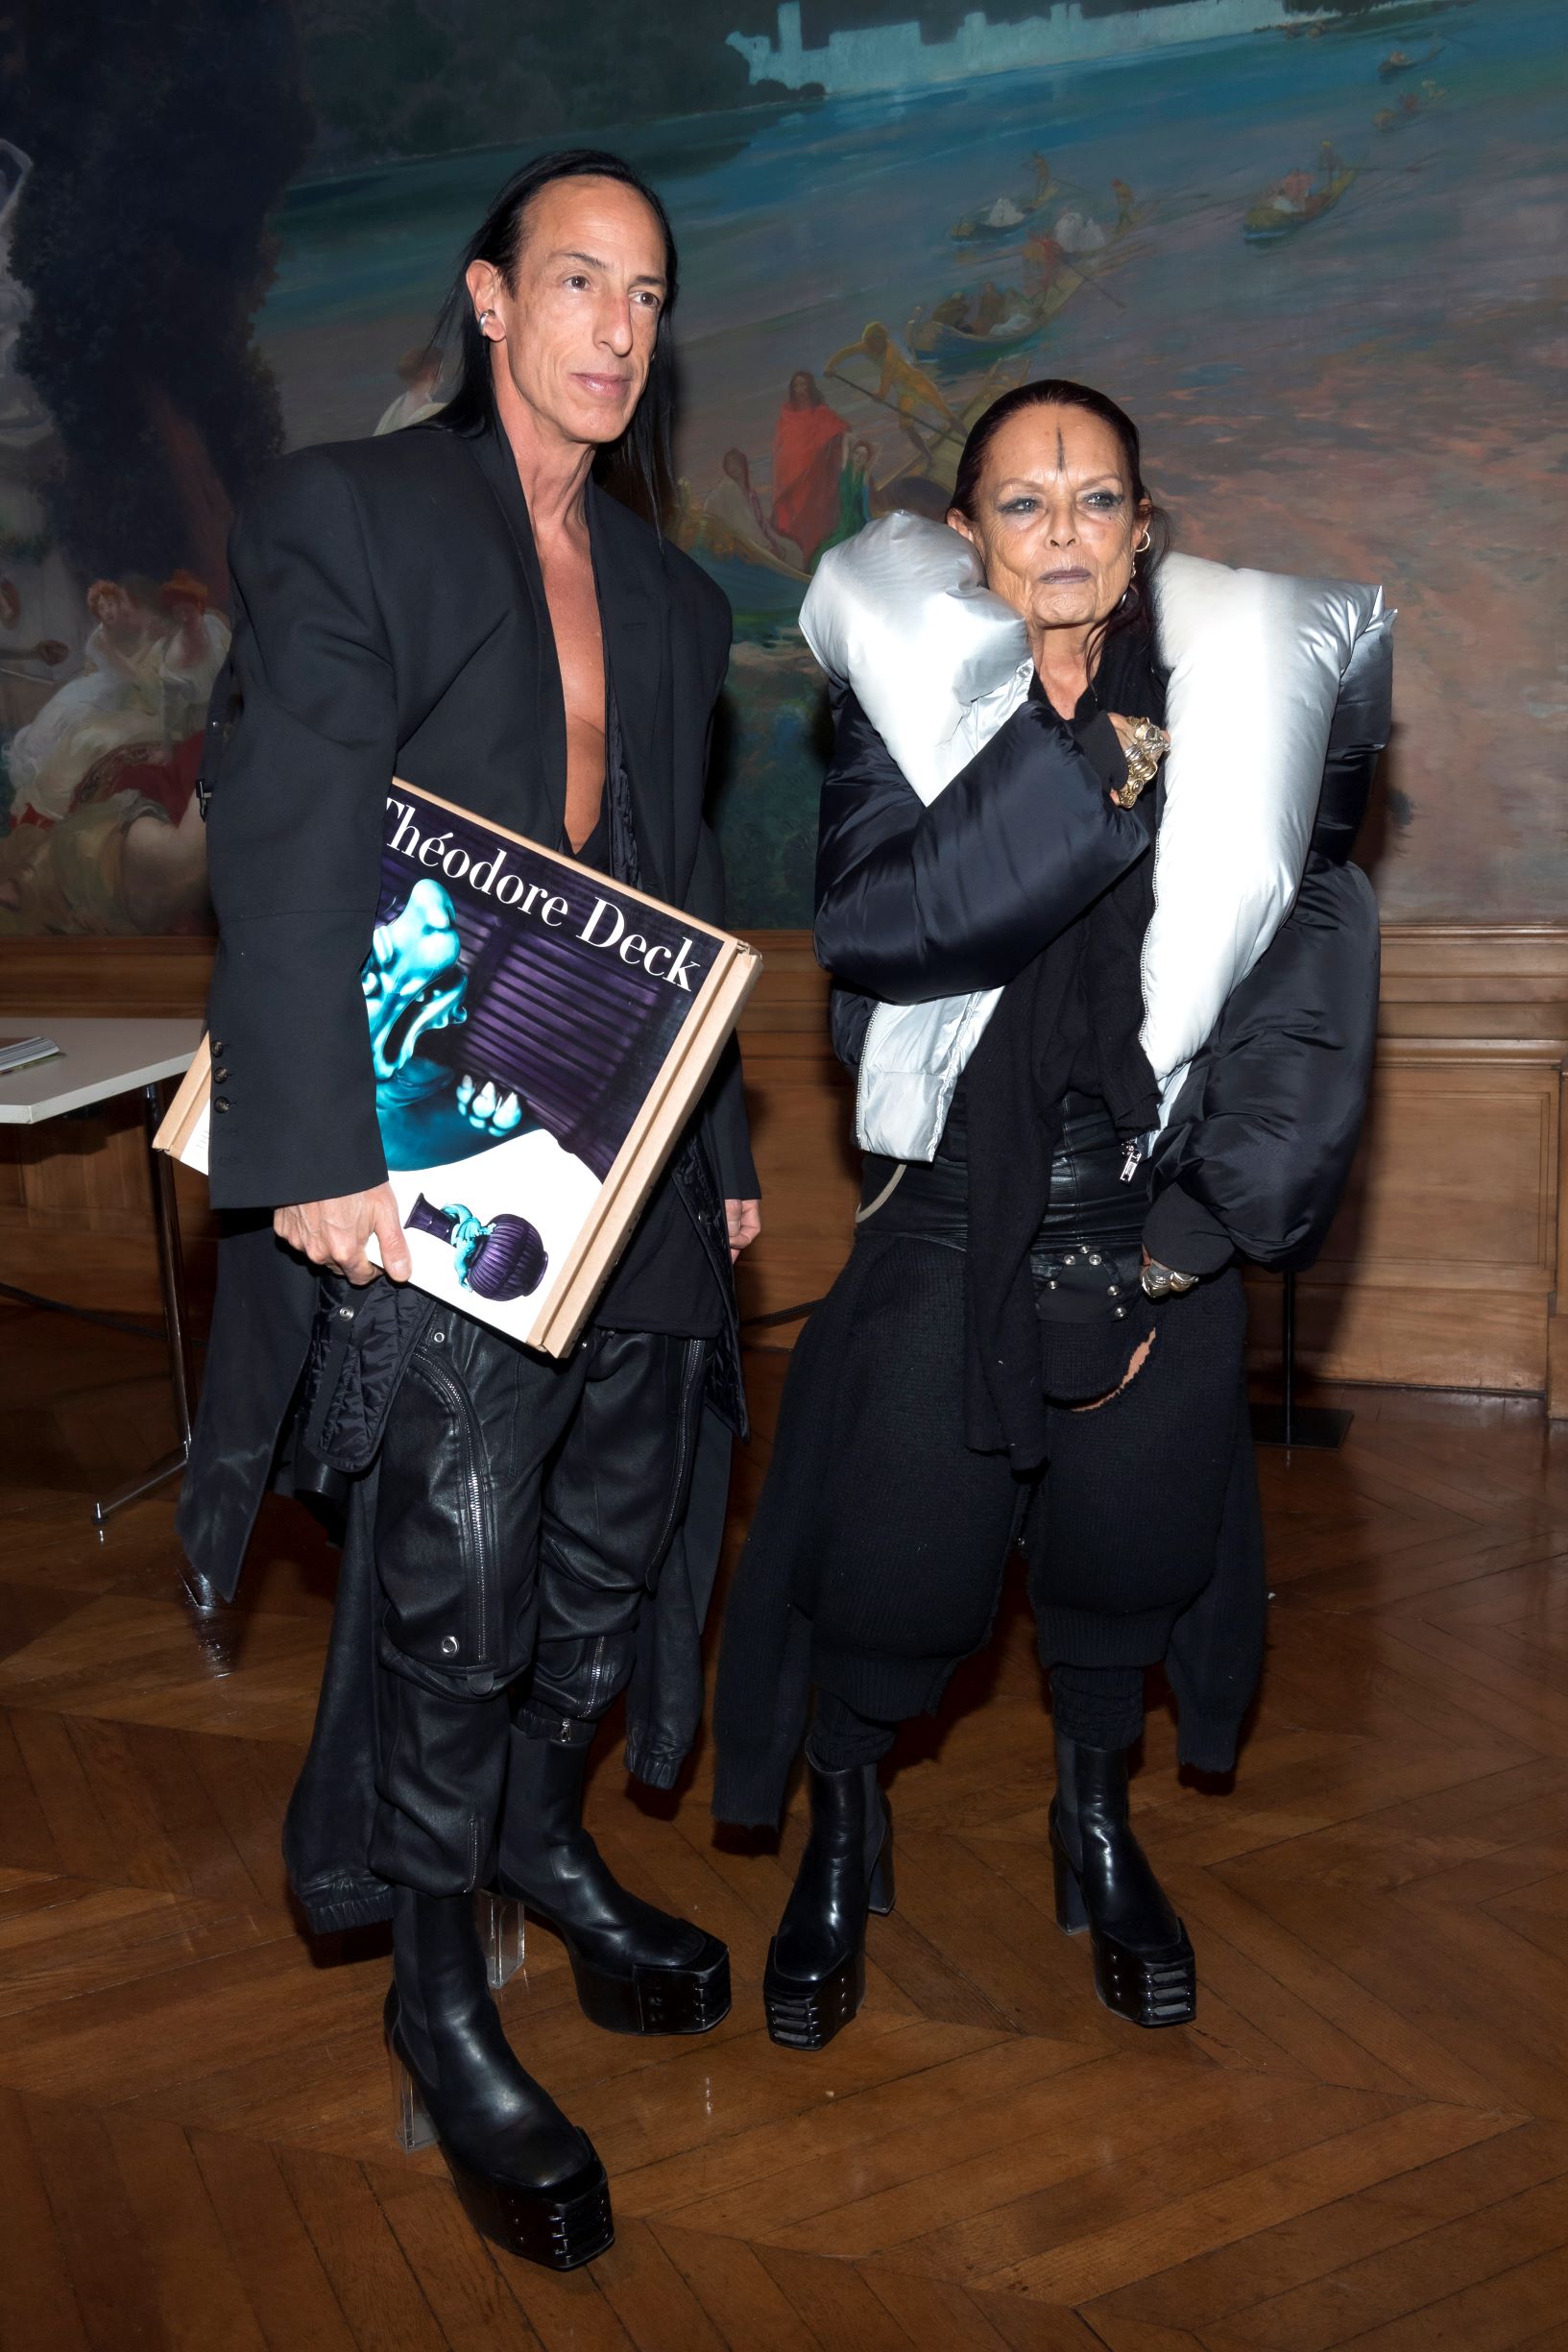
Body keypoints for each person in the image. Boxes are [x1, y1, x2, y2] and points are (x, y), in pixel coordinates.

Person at [178, 149, 761, 2270]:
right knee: (462, 1570)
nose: (619, 323)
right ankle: (439, 1983)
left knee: (608, 1553)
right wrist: (318, 1140)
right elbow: (288, 825)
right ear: (493, 300)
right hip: (416, 1147)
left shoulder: (682, 602)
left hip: (632, 1160)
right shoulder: (352, 511)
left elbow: (681, 894)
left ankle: (538, 1840)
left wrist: (738, 1166)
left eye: (652, 291)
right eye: (579, 280)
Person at [712, 378, 1381, 2054]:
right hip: (950, 1211)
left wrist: (1210, 1216)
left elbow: (1309, 943)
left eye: (1096, 502)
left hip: (1156, 1208)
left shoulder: (1247, 704)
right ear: (968, 538)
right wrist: (1095, 769)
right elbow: (881, 928)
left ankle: (1096, 1818)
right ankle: (845, 1823)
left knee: (1123, 1563)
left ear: (1143, 527)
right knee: (892, 1576)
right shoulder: (907, 708)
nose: (1063, 535)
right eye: (1023, 504)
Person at [821, 323, 956, 462]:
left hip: (917, 383)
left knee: (946, 413)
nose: (877, 345)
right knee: (906, 426)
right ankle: (929, 458)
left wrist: (881, 394)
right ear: (869, 340)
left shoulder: (890, 351)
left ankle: (968, 439)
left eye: (880, 341)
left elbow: (887, 375)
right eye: (874, 341)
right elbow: (844, 353)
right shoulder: (865, 346)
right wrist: (830, 366)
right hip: (904, 391)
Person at [770, 371, 848, 570]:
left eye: (804, 385)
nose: (801, 390)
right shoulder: (787, 416)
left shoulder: (821, 413)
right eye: (797, 386)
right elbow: (781, 448)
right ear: (792, 389)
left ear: (810, 387)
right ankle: (800, 561)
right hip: (791, 479)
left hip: (815, 481)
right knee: (793, 517)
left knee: (814, 518)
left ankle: (815, 560)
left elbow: (840, 431)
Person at [374, 342, 445, 434]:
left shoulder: (399, 403)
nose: (442, 379)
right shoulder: (427, 409)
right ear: (428, 374)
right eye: (440, 371)